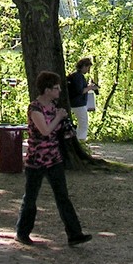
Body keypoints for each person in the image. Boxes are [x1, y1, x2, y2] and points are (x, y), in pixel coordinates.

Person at [15, 70, 92, 247]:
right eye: (56, 88)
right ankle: (22, 231)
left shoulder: (54, 106)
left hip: (54, 158)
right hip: (36, 159)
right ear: (47, 90)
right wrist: (58, 117)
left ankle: (75, 233)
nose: (59, 91)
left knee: (63, 196)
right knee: (31, 198)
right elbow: (45, 131)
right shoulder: (35, 108)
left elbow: (58, 132)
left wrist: (66, 125)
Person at [66, 57, 98, 142]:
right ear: (83, 66)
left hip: (76, 103)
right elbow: (80, 91)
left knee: (82, 123)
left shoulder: (75, 76)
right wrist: (90, 87)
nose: (88, 70)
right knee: (83, 124)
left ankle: (77, 139)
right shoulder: (78, 76)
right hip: (78, 103)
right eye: (87, 67)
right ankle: (80, 141)